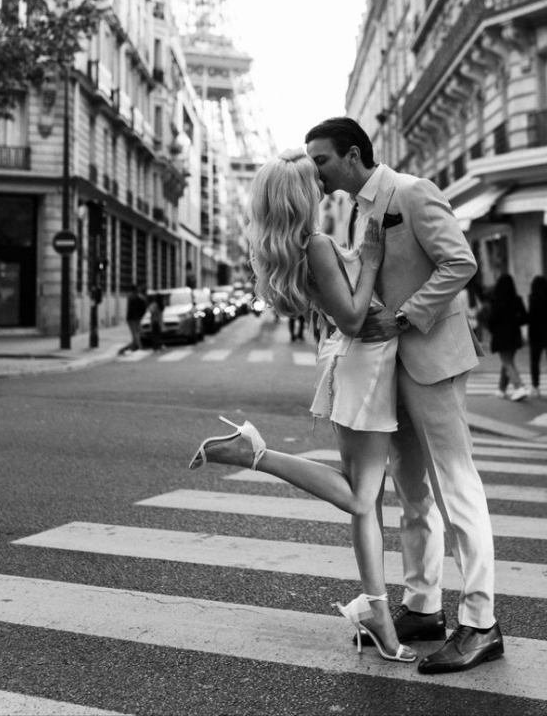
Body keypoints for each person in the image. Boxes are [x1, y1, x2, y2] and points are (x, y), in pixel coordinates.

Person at [189, 149, 416, 664]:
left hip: (349, 364)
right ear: (300, 196)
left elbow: (338, 317)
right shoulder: (313, 244)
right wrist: (372, 257)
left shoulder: (296, 247)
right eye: (314, 181)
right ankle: (255, 453)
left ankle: (377, 612)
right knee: (362, 500)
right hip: (365, 364)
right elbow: (356, 317)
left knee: (367, 506)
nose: (323, 186)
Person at [305, 117, 503, 676]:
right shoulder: (357, 208)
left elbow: (459, 261)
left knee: (456, 487)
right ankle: (423, 607)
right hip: (390, 367)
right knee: (413, 493)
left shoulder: (411, 192)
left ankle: (482, 623)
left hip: (431, 356)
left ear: (351, 154)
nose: (313, 170)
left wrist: (404, 316)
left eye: (320, 160)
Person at [488, 273, 529, 401]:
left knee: (507, 362)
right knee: (507, 361)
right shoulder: (517, 299)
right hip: (514, 334)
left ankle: (519, 386)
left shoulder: (495, 300)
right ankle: (501, 389)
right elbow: (524, 318)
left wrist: (493, 329)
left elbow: (492, 320)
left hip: (500, 334)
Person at [119, 284, 147, 354]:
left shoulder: (131, 298)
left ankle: (138, 347)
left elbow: (130, 309)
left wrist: (129, 317)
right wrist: (140, 316)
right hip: (137, 318)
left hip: (131, 318)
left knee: (135, 333)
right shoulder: (139, 297)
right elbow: (143, 308)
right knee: (137, 332)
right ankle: (134, 347)